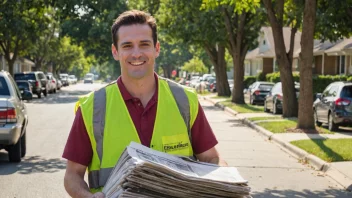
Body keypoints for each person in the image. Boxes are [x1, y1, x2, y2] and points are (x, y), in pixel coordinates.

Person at [62, 9, 227, 198]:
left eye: (144, 44)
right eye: (127, 46)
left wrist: (225, 182)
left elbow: (211, 158)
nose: (136, 53)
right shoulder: (92, 108)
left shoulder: (185, 100)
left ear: (156, 48)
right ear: (115, 52)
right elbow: (72, 176)